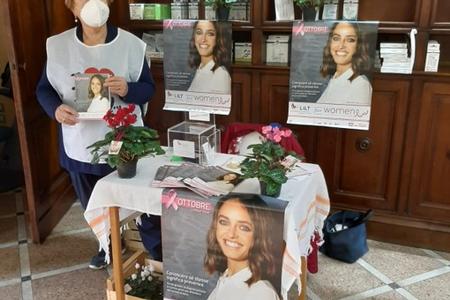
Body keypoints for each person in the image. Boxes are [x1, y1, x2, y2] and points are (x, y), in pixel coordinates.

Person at [36, 0, 162, 269]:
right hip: (80, 142)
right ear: (71, 7)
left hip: (126, 144)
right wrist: (55, 109)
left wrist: (128, 90)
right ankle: (107, 247)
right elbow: (44, 90)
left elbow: (148, 89)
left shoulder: (130, 44)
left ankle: (157, 252)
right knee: (94, 203)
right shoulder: (58, 46)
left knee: (141, 202)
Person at [204, 194, 280, 300]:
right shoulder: (227, 276)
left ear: (259, 234)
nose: (231, 234)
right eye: (224, 222)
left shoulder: (260, 293)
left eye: (244, 227)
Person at [317, 22, 373, 105]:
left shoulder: (360, 85)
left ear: (358, 46)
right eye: (336, 38)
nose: (341, 45)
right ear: (330, 43)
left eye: (350, 40)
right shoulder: (335, 78)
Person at [187, 20, 231, 94]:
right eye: (199, 33)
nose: (203, 39)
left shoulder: (221, 75)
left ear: (218, 39)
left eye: (210, 34)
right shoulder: (201, 68)